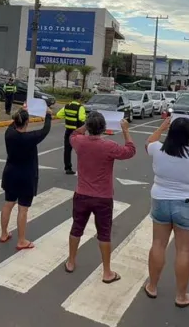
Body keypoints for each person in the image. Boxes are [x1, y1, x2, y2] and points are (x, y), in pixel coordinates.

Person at [144, 115, 189, 307]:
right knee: (183, 250)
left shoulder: (158, 149)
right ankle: (181, 296)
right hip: (187, 202)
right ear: (188, 135)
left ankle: (152, 286)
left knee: (158, 244)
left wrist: (161, 127)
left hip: (160, 199)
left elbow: (148, 142)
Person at [65, 111, 135, 283]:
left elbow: (73, 134)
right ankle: (107, 272)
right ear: (104, 128)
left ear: (88, 127)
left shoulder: (79, 142)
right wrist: (125, 130)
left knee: (76, 228)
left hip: (82, 194)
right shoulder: (109, 146)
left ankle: (71, 261)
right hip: (103, 197)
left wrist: (86, 125)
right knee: (104, 234)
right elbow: (130, 151)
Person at [0, 107, 53, 249]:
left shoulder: (9, 133)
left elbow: (13, 124)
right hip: (26, 177)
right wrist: (48, 115)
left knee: (8, 204)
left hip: (10, 173)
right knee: (23, 209)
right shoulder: (30, 138)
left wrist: (21, 110)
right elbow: (45, 130)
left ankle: (4, 234)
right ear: (27, 122)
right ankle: (21, 240)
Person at [56, 93, 87, 175]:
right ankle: (83, 168)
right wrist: (85, 117)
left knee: (67, 150)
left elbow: (58, 114)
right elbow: (81, 118)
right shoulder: (80, 107)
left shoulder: (67, 106)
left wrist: (67, 116)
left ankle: (68, 168)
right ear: (79, 99)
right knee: (81, 151)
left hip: (68, 131)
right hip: (78, 132)